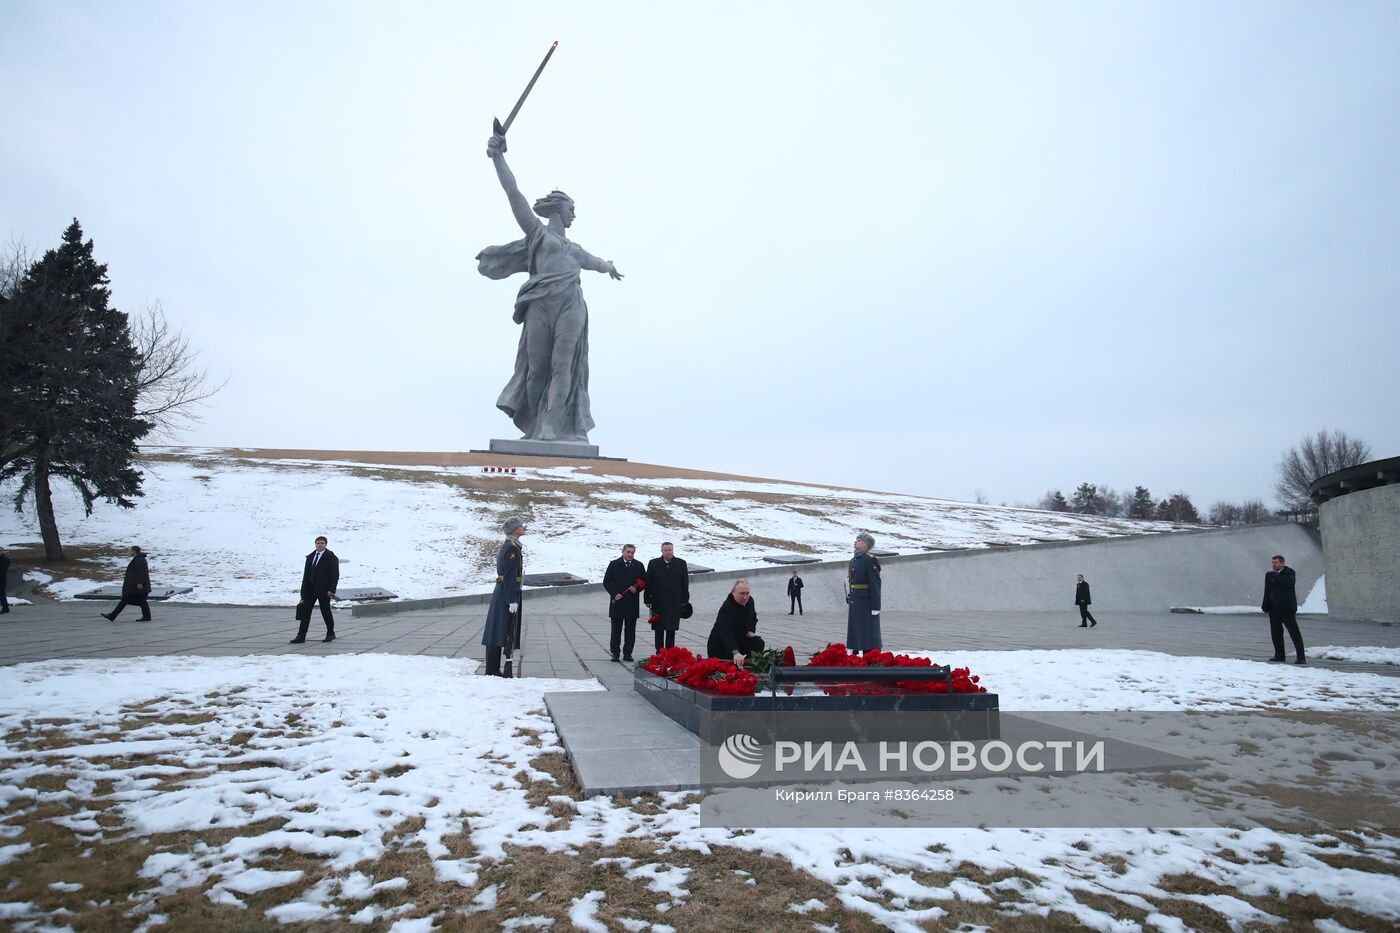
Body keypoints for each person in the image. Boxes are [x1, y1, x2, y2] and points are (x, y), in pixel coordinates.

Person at [477, 132, 623, 442]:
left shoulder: (575, 250)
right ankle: (534, 424)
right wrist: (499, 158)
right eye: (571, 208)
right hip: (540, 305)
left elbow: (596, 262)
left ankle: (552, 426)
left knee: (563, 366)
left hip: (571, 306)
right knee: (537, 370)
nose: (574, 214)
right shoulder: (538, 235)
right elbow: (514, 195)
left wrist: (609, 267)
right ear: (558, 209)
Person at [483, 516, 526, 676]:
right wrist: (511, 600)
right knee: (497, 630)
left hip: (505, 591)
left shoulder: (513, 545)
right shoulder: (511, 548)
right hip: (505, 593)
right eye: (520, 525)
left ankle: (493, 668)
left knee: (499, 629)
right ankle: (492, 669)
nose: (523, 527)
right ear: (514, 529)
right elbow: (508, 576)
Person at [291, 536, 339, 643]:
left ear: (326, 544)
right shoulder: (310, 557)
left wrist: (332, 589)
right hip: (310, 590)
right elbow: (306, 575)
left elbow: (334, 574)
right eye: (318, 543)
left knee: (325, 612)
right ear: (315, 544)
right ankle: (301, 636)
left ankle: (330, 633)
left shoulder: (331, 557)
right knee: (305, 613)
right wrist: (303, 591)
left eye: (322, 543)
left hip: (324, 590)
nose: (320, 545)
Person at [603, 543, 645, 662]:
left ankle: (628, 653)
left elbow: (644, 581)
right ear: (623, 552)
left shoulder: (639, 565)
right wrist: (614, 593)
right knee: (616, 630)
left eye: (632, 553)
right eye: (628, 552)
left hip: (632, 603)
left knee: (630, 631)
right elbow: (607, 581)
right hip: (617, 602)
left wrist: (636, 588)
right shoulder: (614, 564)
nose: (630, 554)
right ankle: (615, 653)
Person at [644, 541, 689, 652]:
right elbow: (648, 582)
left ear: (673, 550)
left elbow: (685, 583)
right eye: (665, 550)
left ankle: (670, 652)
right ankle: (659, 651)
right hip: (658, 601)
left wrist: (685, 600)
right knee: (658, 628)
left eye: (670, 550)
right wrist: (647, 599)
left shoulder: (681, 563)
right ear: (662, 551)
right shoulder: (653, 563)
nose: (668, 552)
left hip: (674, 601)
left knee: (671, 628)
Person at [707, 579, 765, 663]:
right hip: (721, 646)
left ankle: (746, 662)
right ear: (733, 592)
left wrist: (751, 631)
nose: (745, 597)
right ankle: (738, 660)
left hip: (739, 639)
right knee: (733, 658)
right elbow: (726, 634)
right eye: (741, 594)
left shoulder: (750, 601)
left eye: (747, 593)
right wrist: (735, 652)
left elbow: (753, 618)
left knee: (758, 643)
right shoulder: (727, 608)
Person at [1262, 554, 1305, 664]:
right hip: (1274, 609)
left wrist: (1274, 575)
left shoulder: (1289, 573)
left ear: (1282, 563)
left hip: (1287, 608)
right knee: (1276, 633)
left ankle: (1301, 657)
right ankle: (1279, 655)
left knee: (1294, 632)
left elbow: (1286, 583)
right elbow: (1267, 590)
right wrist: (1265, 605)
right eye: (1272, 562)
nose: (1273, 564)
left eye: (1276, 562)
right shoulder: (1269, 574)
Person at [846, 532, 882, 652]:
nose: (856, 542)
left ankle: (869, 654)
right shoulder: (854, 560)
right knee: (855, 628)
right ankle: (854, 651)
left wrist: (876, 606)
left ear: (866, 545)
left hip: (866, 601)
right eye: (856, 540)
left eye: (859, 540)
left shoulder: (870, 560)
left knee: (868, 630)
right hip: (856, 600)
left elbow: (875, 583)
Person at [102, 546, 152, 622]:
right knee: (141, 601)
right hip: (135, 586)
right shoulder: (138, 559)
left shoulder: (139, 560)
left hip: (136, 586)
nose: (129, 552)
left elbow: (140, 572)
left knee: (126, 600)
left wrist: (139, 583)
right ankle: (147, 616)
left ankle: (112, 616)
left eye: (130, 551)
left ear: (134, 551)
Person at [0, 546, 11, 614]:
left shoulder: (6, 559)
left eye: (0, 550)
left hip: (1, 580)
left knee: (1, 595)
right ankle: (6, 608)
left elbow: (3, 570)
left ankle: (5, 608)